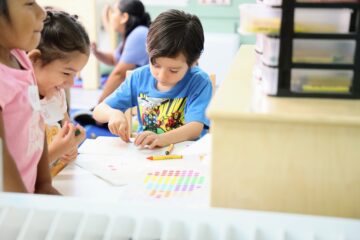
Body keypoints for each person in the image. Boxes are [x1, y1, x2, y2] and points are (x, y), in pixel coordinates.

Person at [93, 9, 212, 148]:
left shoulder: (199, 82)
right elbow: (98, 111)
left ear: (193, 62)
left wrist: (161, 139)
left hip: (185, 155)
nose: (161, 76)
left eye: (173, 70)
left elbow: (194, 128)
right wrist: (113, 113)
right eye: (155, 65)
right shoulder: (139, 77)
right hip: (147, 153)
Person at [0, 0, 58, 193]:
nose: (42, 13)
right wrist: (25, 211)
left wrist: (44, 184)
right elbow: (2, 161)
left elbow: (36, 121)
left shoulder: (20, 57)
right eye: (29, 3)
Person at [28, 8, 89, 172]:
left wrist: (72, 144)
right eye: (66, 73)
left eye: (75, 75)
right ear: (34, 60)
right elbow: (18, 170)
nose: (70, 83)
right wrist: (56, 152)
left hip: (59, 179)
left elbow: (66, 129)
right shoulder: (20, 103)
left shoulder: (57, 95)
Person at [92, 0, 151, 103]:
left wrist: (100, 104)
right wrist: (96, 52)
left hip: (148, 97)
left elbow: (119, 73)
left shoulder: (139, 34)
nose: (111, 16)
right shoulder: (132, 34)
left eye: (114, 12)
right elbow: (114, 59)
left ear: (124, 17)